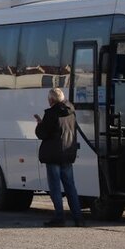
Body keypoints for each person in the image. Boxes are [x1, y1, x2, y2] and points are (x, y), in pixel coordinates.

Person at [35, 87, 85, 227]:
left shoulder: (51, 113)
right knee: (70, 187)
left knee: (55, 188)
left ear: (51, 100)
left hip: (53, 155)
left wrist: (39, 124)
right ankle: (78, 218)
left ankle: (59, 217)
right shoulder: (71, 110)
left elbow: (42, 134)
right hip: (68, 154)